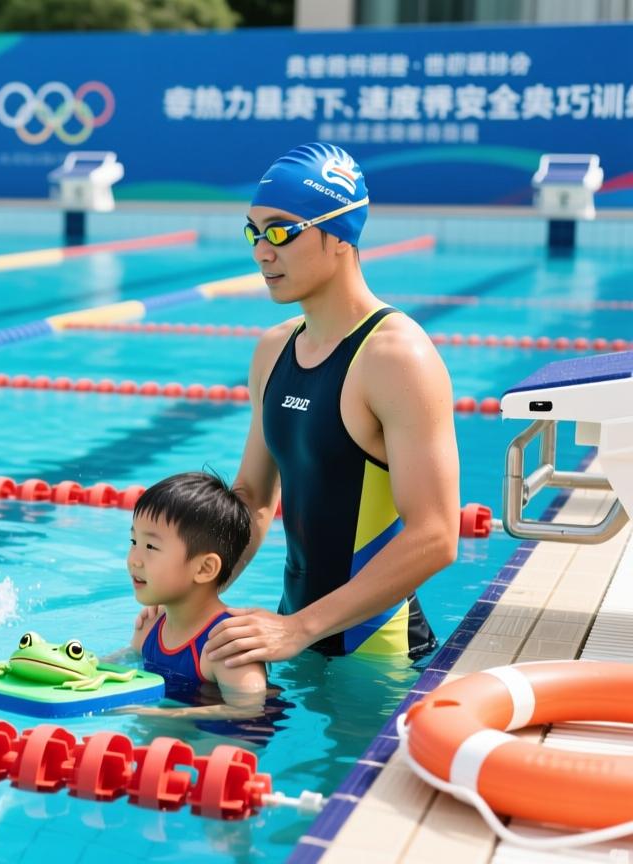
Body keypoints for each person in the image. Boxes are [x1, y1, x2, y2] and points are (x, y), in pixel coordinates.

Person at [200, 141, 461, 668]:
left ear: (340, 234)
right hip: (289, 634)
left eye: (280, 232)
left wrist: (299, 629)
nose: (261, 252)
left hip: (376, 658)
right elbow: (252, 497)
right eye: (254, 232)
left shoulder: (396, 356)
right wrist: (195, 602)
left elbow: (435, 534)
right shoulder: (274, 349)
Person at [129, 471, 267, 703]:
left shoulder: (228, 644)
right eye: (134, 542)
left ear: (204, 569)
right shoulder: (150, 627)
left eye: (151, 546)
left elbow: (248, 711)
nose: (134, 559)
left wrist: (149, 713)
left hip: (216, 737)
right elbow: (123, 664)